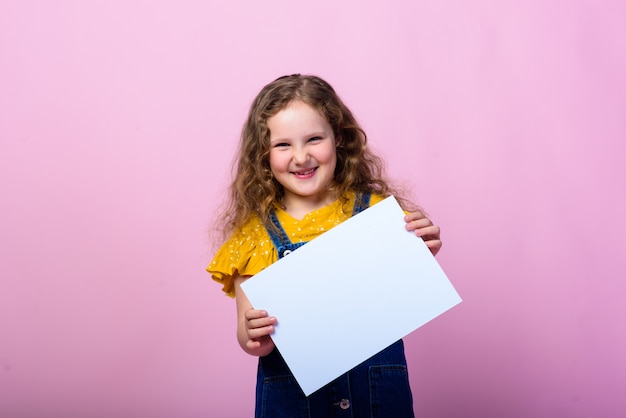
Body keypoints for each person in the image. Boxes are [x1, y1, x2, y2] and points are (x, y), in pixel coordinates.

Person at [207, 74, 442, 418]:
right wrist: (255, 336)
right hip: (293, 401)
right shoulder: (254, 236)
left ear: (339, 141)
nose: (301, 157)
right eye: (283, 145)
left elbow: (403, 284)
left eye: (314, 139)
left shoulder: (378, 214)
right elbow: (247, 333)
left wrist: (421, 250)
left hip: (376, 398)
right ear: (263, 155)